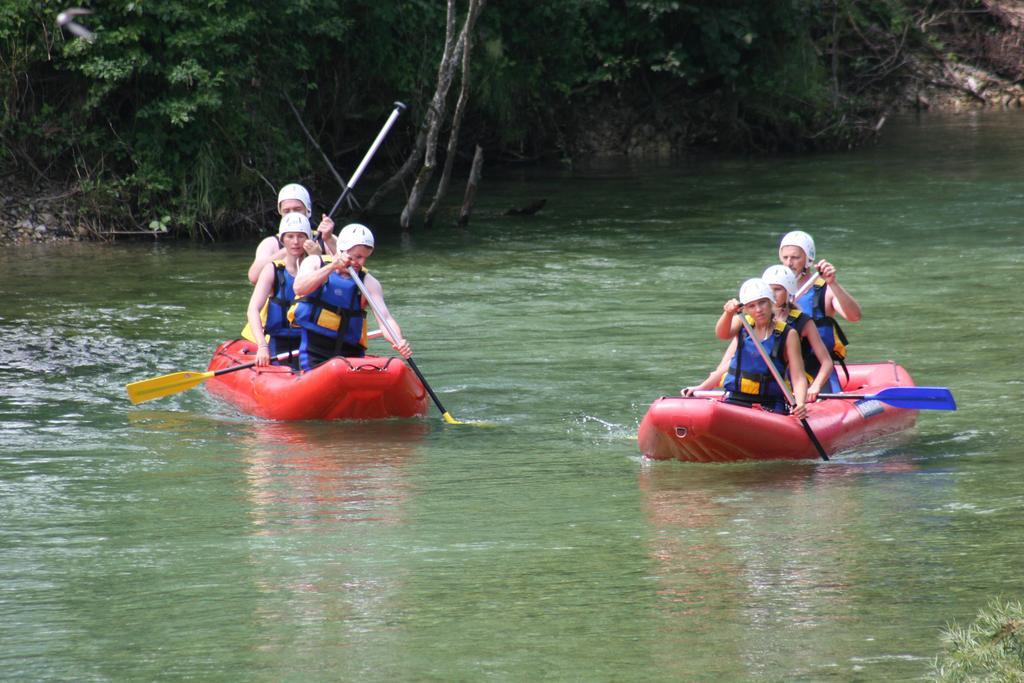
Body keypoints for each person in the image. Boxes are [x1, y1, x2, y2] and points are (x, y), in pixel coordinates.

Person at [290, 223, 412, 371]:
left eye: (365, 257)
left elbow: (385, 318)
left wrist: (399, 341)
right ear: (342, 250)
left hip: (351, 353)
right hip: (315, 350)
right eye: (357, 256)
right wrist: (332, 266)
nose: (361, 262)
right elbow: (299, 287)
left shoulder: (368, 282)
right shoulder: (316, 262)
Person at [684, 278, 808, 419]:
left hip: (770, 403)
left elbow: (798, 377)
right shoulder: (742, 323)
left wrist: (800, 403)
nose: (758, 310)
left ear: (771, 302)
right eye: (751, 306)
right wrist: (728, 314)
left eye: (763, 303)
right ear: (745, 309)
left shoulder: (789, 334)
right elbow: (722, 334)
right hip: (737, 399)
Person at [778, 230, 860, 389]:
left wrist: (833, 283)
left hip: (817, 372)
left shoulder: (824, 289)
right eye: (785, 257)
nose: (789, 263)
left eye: (795, 257)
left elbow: (854, 316)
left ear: (808, 259)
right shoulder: (774, 290)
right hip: (781, 371)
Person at [246, 213, 314, 368]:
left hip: (312, 343)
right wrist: (262, 346)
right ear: (282, 240)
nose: (295, 242)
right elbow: (253, 309)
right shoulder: (272, 270)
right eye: (290, 236)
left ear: (308, 239)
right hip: (281, 344)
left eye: (301, 236)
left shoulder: (318, 269)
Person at [247, 183, 337, 284]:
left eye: (297, 209)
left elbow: (351, 271)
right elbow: (253, 277)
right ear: (280, 213)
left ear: (308, 211)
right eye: (286, 211)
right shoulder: (270, 244)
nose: (292, 214)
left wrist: (319, 255)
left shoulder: (326, 239)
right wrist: (290, 249)